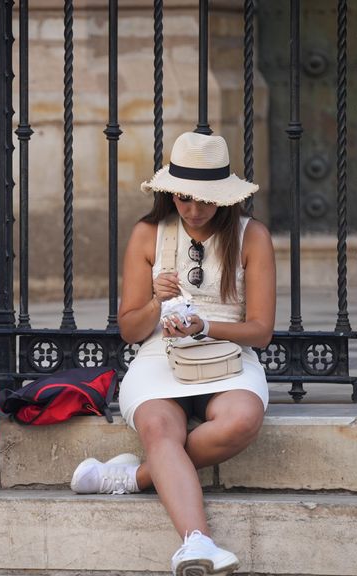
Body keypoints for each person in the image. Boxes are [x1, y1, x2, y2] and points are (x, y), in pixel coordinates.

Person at [69, 132, 275, 575]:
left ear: (224, 196)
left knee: (241, 420)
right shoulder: (148, 234)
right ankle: (197, 543)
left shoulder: (251, 236)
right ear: (171, 193)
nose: (194, 209)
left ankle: (133, 476)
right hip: (158, 358)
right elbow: (129, 329)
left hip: (227, 356)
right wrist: (156, 305)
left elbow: (261, 332)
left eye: (205, 199)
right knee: (161, 431)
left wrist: (205, 326)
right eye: (184, 198)